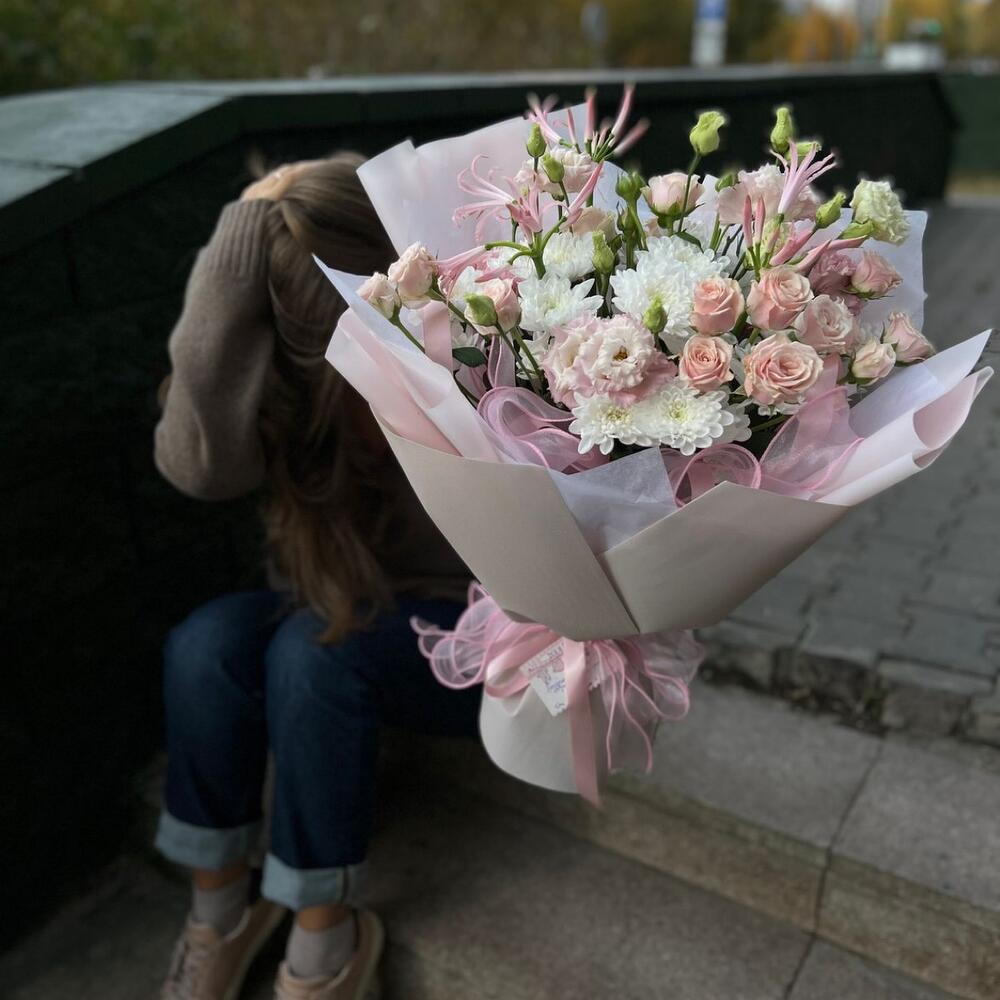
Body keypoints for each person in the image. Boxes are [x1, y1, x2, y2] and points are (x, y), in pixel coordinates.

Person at [153, 152, 480, 1000]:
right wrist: (242, 225)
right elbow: (197, 469)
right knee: (204, 647)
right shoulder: (283, 386)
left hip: (471, 638)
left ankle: (322, 939)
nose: (326, 354)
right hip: (339, 610)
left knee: (313, 654)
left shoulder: (477, 346)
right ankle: (220, 913)